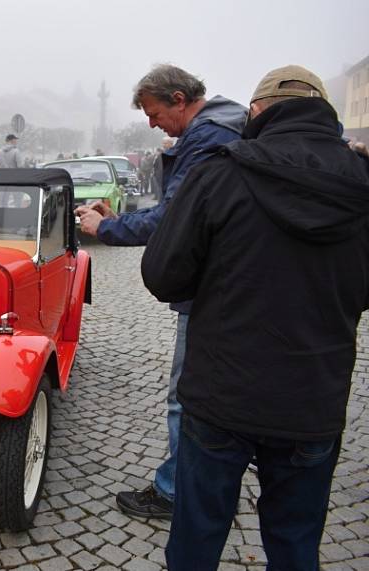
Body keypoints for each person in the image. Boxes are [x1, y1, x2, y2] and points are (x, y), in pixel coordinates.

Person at [141, 65, 369, 570]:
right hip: (313, 399)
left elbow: (162, 274)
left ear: (259, 111)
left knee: (197, 539)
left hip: (222, 394)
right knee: (294, 543)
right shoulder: (362, 182)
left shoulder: (220, 171)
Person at [75, 64, 246, 520]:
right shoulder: (226, 126)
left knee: (185, 395)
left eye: (154, 113)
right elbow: (175, 206)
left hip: (212, 288)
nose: (152, 124)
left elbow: (174, 220)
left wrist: (107, 226)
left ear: (178, 98)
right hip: (229, 282)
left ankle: (175, 492)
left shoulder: (208, 139)